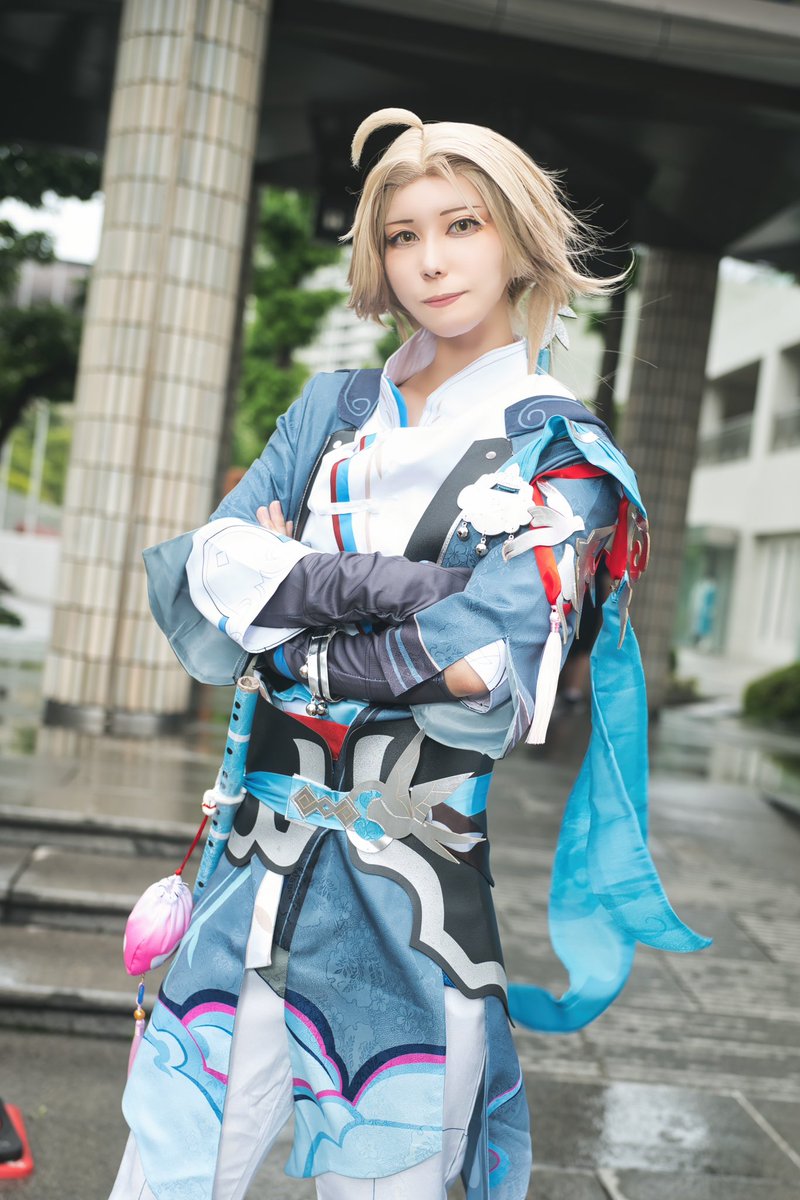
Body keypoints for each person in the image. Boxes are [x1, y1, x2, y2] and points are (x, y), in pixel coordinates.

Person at [110, 108, 708, 1200]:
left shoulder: (562, 452)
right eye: (401, 234)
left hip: (410, 909)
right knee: (161, 1171)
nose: (430, 260)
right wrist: (418, 592)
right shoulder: (330, 408)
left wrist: (297, 602)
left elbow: (485, 667)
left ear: (517, 238)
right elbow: (213, 568)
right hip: (245, 875)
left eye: (461, 225)